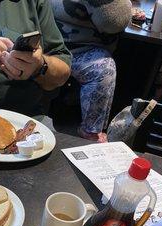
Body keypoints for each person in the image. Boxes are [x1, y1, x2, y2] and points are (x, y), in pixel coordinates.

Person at [50, 0, 132, 142]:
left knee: (105, 69)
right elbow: (114, 22)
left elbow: (115, 21)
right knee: (104, 69)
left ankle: (89, 128)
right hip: (55, 45)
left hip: (79, 47)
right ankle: (89, 130)